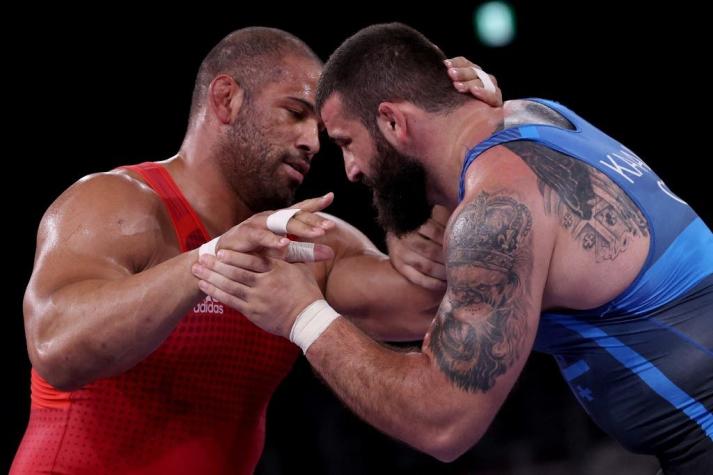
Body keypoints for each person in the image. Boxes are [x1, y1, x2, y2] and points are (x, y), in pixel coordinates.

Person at [194, 23, 713, 474]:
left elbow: (442, 422)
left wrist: (300, 315)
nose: (350, 171)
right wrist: (400, 224)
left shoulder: (496, 214)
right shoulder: (540, 116)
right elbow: (447, 210)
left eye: (348, 143)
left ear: (394, 122)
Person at [12, 26, 500, 474]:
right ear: (227, 99)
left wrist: (453, 132)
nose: (311, 142)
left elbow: (429, 299)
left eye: (321, 131)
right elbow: (56, 350)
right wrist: (208, 261)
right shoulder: (119, 204)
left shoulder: (305, 241)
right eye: (294, 113)